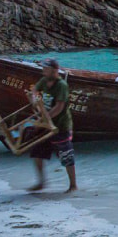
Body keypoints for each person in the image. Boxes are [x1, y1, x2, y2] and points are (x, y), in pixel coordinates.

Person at [28, 58, 77, 192]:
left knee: (66, 155)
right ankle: (41, 182)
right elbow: (35, 90)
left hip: (61, 125)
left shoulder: (61, 85)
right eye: (43, 68)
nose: (43, 70)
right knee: (37, 151)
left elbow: (59, 107)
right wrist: (34, 99)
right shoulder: (44, 80)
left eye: (46, 68)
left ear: (54, 70)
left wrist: (44, 119)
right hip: (46, 123)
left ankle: (73, 185)